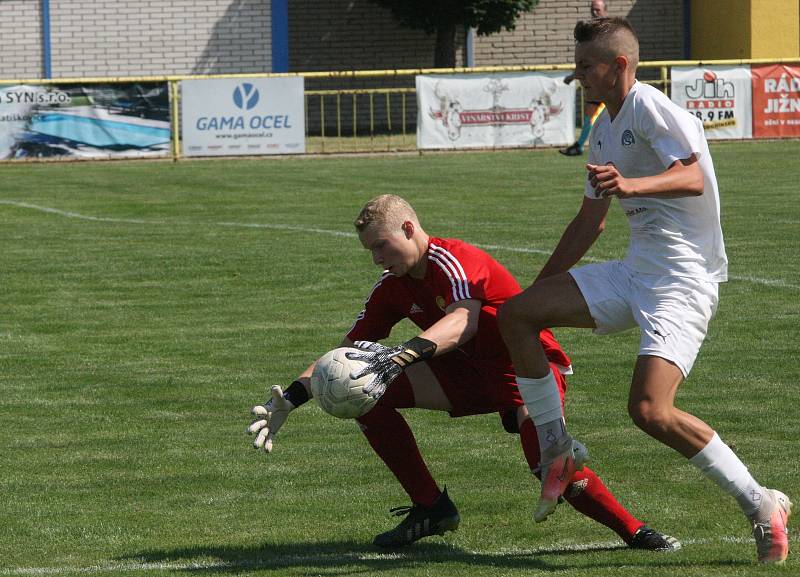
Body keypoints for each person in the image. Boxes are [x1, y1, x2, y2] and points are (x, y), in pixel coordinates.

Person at [497, 17, 791, 564]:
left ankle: (760, 502)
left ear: (619, 65)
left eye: (586, 66)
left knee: (651, 411)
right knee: (515, 316)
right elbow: (590, 222)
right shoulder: (605, 128)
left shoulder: (650, 107)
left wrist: (631, 183)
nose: (578, 75)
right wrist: (538, 292)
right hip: (635, 272)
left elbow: (693, 176)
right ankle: (556, 448)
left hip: (682, 283)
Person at [248, 194, 679, 551]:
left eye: (382, 246)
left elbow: (464, 321)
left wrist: (400, 357)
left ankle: (634, 532)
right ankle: (431, 508)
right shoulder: (392, 285)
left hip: (522, 367)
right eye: (371, 251)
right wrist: (294, 397)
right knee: (364, 392)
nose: (378, 259)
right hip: (464, 373)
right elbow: (343, 355)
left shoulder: (453, 260)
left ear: (408, 229)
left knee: (548, 464)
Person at [560, 0, 608, 156]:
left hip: (605, 82)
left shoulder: (606, 32)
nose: (595, 13)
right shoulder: (592, 32)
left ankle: (582, 146)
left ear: (604, 10)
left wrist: (573, 76)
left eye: (597, 10)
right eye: (593, 10)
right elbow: (585, 59)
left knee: (598, 117)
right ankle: (580, 146)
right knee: (591, 117)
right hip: (595, 82)